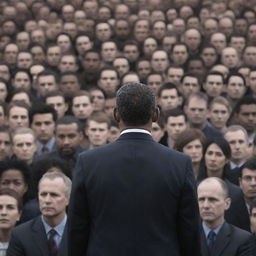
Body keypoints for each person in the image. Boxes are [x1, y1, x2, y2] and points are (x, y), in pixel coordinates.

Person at [68, 82, 201, 256]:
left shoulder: (89, 162)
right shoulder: (179, 163)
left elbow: (77, 229)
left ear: (116, 114)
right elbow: (190, 231)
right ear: (155, 114)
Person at [7, 172, 71, 256]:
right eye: (43, 194)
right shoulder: (20, 234)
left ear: (68, 199)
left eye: (54, 195)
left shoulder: (81, 232)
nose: (47, 200)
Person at [198, 177, 252, 256]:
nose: (206, 205)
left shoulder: (243, 239)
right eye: (201, 199)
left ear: (227, 203)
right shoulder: (185, 237)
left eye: (212, 199)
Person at [0, 189, 22, 256]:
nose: (4, 213)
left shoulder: (28, 245)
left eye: (10, 207)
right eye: (0, 207)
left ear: (19, 214)